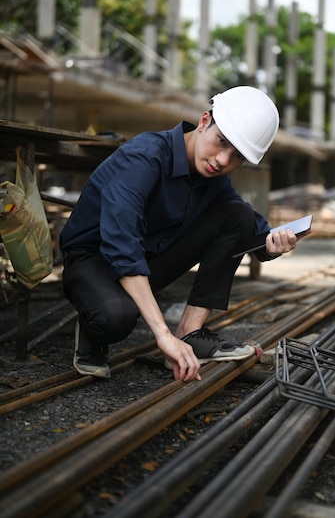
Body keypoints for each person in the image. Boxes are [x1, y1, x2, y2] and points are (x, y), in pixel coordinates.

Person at [60, 86, 306, 383]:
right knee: (115, 319)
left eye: (237, 156)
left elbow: (250, 228)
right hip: (93, 258)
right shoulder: (145, 157)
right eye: (221, 142)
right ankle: (93, 318)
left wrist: (275, 243)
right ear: (204, 122)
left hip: (146, 258)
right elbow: (122, 246)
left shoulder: (213, 179)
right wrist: (161, 335)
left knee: (236, 215)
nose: (224, 160)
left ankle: (190, 334)